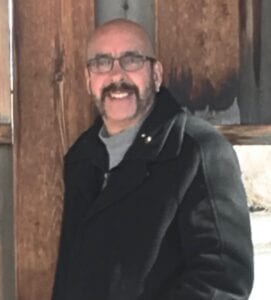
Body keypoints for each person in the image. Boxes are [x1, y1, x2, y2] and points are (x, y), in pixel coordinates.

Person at [52, 19, 253, 300]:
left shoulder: (198, 151)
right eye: (102, 62)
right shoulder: (82, 158)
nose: (116, 75)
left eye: (131, 60)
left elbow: (222, 282)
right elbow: (71, 275)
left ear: (156, 75)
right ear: (88, 80)